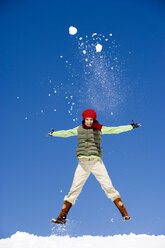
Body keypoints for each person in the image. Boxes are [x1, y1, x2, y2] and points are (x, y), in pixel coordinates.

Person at [47, 109, 141, 224]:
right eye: (87, 119)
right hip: (83, 163)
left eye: (91, 120)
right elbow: (67, 133)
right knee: (74, 188)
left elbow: (114, 130)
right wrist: (54, 133)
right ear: (84, 119)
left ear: (94, 119)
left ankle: (124, 213)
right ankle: (62, 218)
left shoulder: (100, 129)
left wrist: (130, 127)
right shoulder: (78, 129)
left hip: (96, 163)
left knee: (108, 186)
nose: (89, 122)